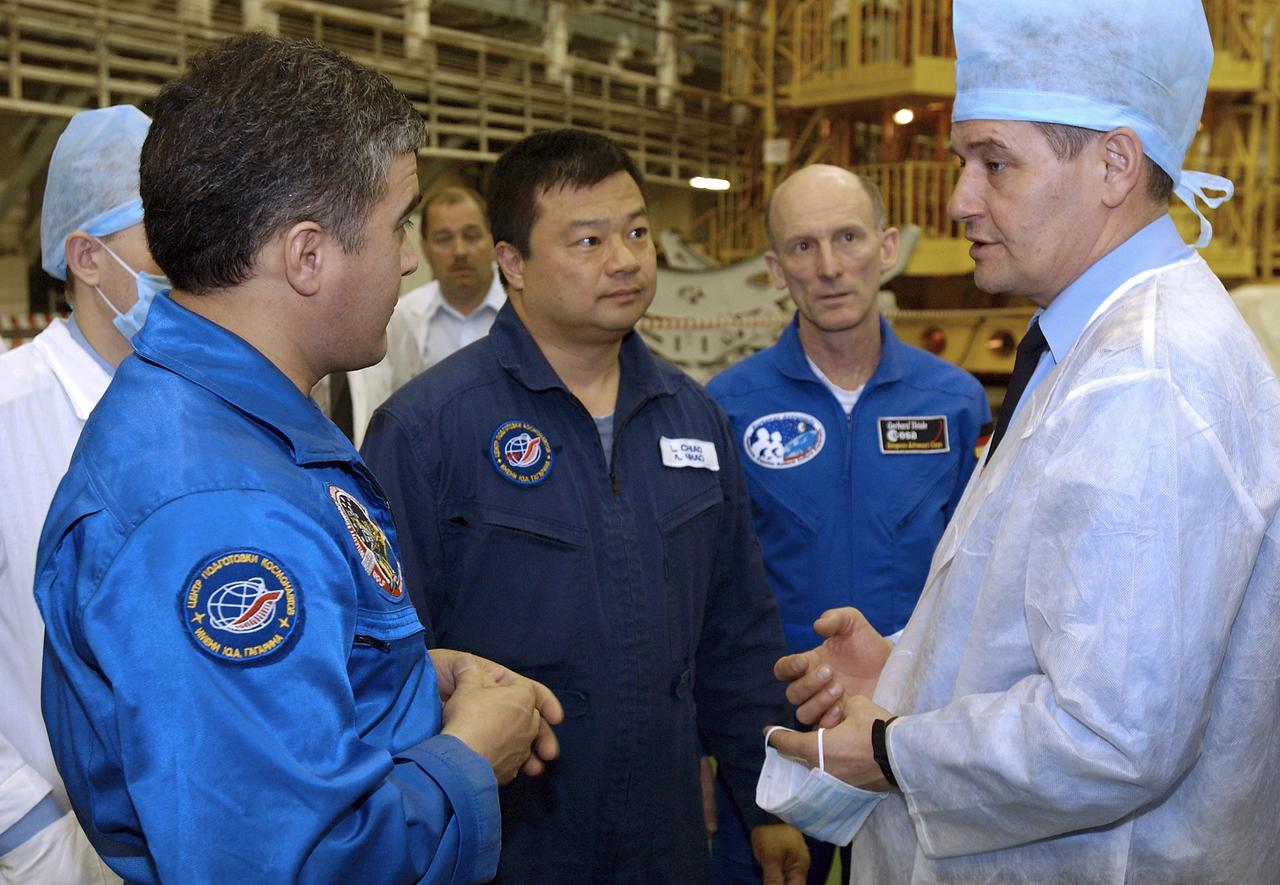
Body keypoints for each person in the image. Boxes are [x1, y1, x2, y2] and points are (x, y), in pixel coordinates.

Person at [768, 1, 1280, 880]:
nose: (960, 199)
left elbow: (1108, 734)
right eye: (962, 161)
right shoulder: (1094, 342)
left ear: (1114, 164)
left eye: (995, 163)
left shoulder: (1145, 380)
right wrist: (910, 672)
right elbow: (1068, 631)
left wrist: (892, 748)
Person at [35, 34, 561, 884]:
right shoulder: (214, 507)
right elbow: (287, 863)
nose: (409, 258)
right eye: (397, 225)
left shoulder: (232, 428)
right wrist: (466, 755)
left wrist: (396, 680)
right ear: (308, 254)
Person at [361, 129, 809, 884]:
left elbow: (736, 630)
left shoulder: (693, 419)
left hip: (664, 838)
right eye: (589, 240)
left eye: (636, 232)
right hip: (507, 840)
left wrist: (766, 800)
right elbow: (387, 661)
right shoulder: (429, 430)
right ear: (514, 264)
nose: (626, 259)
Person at [705, 165, 987, 884]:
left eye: (849, 238)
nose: (829, 267)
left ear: (887, 247)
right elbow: (710, 596)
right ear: (775, 268)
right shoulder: (727, 407)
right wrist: (719, 753)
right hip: (778, 736)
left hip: (912, 736)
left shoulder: (953, 402)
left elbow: (980, 576)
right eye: (802, 246)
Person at [0, 104, 161, 885]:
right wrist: (32, 833)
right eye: (160, 235)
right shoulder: (11, 412)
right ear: (88, 257)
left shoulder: (201, 409)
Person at [340, 186, 506, 445]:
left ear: (493, 240)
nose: (460, 251)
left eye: (472, 236)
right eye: (444, 239)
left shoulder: (522, 311)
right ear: (425, 248)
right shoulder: (402, 317)